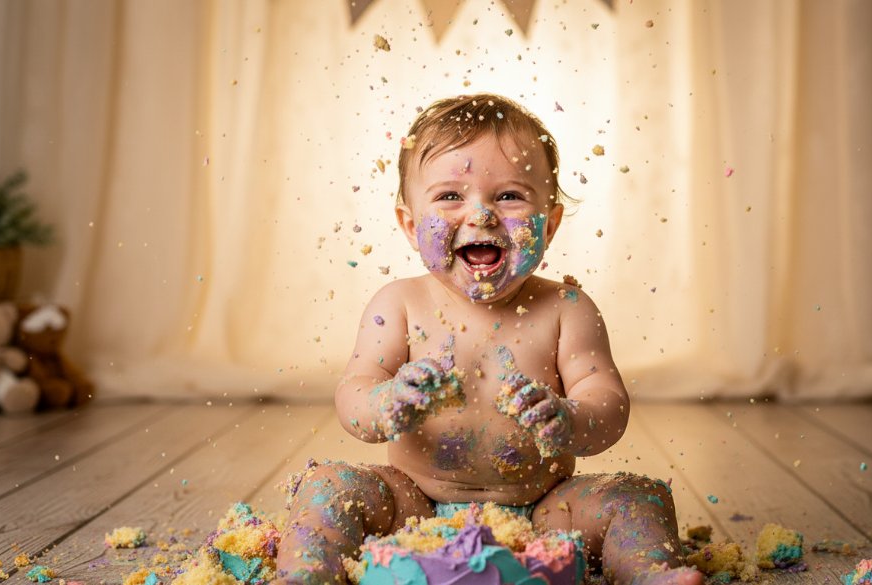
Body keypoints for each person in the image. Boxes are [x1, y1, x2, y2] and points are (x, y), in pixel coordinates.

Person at [275, 94, 702, 585]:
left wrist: (568, 418)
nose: (480, 216)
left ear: (551, 222)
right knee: (329, 484)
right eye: (450, 196)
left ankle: (650, 574)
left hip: (546, 511)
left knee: (637, 495)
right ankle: (306, 574)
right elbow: (353, 395)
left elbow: (608, 407)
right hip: (412, 504)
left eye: (509, 196)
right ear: (411, 226)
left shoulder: (567, 309)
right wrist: (387, 401)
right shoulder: (398, 304)